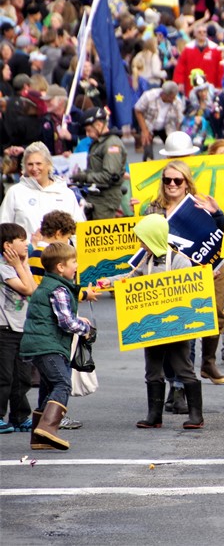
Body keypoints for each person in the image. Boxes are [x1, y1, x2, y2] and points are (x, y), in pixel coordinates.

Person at [99, 215, 204, 430]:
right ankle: (154, 414)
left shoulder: (179, 261)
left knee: (183, 367)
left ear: (155, 238)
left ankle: (196, 415)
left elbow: (187, 289)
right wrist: (108, 282)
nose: (141, 245)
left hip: (176, 326)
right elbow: (131, 277)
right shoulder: (146, 261)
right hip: (153, 325)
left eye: (144, 240)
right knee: (153, 370)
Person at [142, 160, 224, 385]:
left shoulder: (199, 204)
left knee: (196, 327)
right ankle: (173, 384)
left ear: (186, 182)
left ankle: (184, 384)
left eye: (177, 180)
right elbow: (144, 245)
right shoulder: (153, 208)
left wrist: (218, 215)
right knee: (171, 330)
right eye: (167, 180)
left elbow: (220, 238)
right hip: (166, 277)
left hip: (204, 273)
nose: (172, 184)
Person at [19, 242, 92, 450]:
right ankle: (49, 428)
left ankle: (38, 438)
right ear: (61, 267)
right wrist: (85, 328)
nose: (77, 265)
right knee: (62, 383)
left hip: (40, 344)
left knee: (49, 386)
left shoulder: (49, 285)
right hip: (48, 345)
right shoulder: (59, 288)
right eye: (74, 262)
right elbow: (66, 322)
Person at [0, 142, 85, 236]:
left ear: (49, 165)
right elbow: (3, 227)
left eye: (38, 163)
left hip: (60, 250)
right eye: (30, 164)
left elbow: (78, 229)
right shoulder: (15, 192)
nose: (34, 168)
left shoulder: (66, 193)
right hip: (27, 250)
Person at [0, 224, 37, 434]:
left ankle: (20, 416)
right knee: (4, 376)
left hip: (21, 328)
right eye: (21, 240)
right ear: (7, 245)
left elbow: (33, 290)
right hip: (4, 329)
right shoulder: (3, 266)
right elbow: (27, 288)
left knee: (22, 376)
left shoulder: (20, 265)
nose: (26, 244)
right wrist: (20, 266)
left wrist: (24, 265)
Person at [68, 107, 126, 220]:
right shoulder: (98, 143)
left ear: (99, 125)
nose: (87, 134)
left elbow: (109, 176)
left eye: (89, 130)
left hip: (105, 200)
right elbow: (95, 168)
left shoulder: (111, 144)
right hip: (95, 196)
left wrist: (84, 177)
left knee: (100, 234)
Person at [134, 81, 186, 161]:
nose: (173, 99)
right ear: (164, 94)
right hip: (149, 124)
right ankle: (148, 162)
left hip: (167, 127)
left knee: (174, 149)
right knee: (148, 150)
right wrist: (144, 130)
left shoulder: (177, 102)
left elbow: (180, 120)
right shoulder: (149, 96)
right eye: (171, 97)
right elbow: (138, 110)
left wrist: (177, 137)